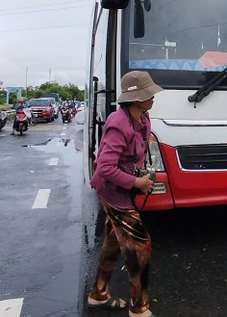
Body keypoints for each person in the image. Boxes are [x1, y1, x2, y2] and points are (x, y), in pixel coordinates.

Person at [87, 71, 163, 317]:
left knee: (113, 243)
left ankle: (99, 295)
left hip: (123, 187)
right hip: (114, 192)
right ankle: (139, 308)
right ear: (135, 98)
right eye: (148, 93)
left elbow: (139, 144)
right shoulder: (118, 123)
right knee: (141, 246)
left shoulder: (143, 116)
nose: (153, 97)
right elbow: (105, 167)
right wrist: (136, 182)